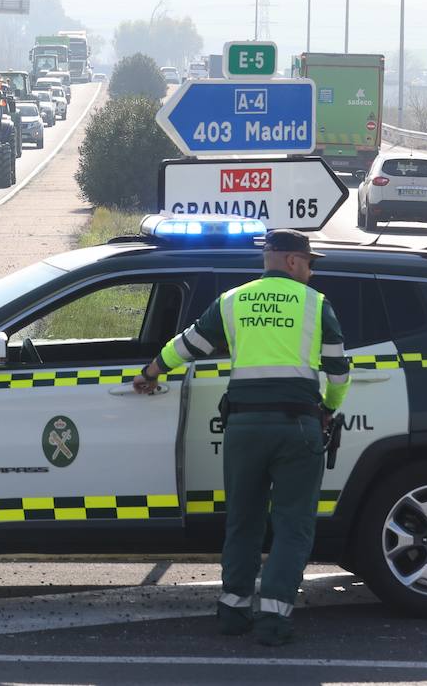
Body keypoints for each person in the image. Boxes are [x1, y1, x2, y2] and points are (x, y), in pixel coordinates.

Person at [131, 229, 350, 647]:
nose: (310, 271)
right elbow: (339, 372)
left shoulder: (233, 300)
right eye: (308, 263)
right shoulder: (316, 304)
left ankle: (233, 612)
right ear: (290, 261)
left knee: (243, 521)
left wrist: (150, 373)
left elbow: (188, 344)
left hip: (244, 429)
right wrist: (327, 408)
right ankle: (273, 622)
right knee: (292, 526)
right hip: (297, 427)